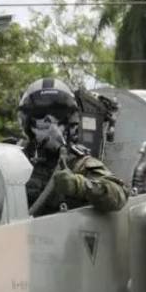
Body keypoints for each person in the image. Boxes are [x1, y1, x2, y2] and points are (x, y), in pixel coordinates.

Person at [17, 78, 127, 216]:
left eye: (58, 115)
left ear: (70, 122)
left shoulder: (78, 163)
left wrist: (79, 185)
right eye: (40, 116)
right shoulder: (16, 159)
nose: (50, 124)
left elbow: (119, 195)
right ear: (29, 124)